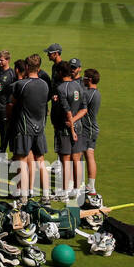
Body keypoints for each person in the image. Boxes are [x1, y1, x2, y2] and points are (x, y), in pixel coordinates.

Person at [10, 54, 50, 200]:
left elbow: (12, 103)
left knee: (22, 160)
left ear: (26, 67)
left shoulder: (22, 85)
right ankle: (45, 196)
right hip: (40, 128)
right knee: (40, 160)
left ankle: (24, 196)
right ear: (39, 68)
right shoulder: (45, 85)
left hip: (24, 128)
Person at [52, 59, 85, 198]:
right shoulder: (78, 86)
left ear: (60, 72)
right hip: (79, 126)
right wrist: (75, 123)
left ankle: (65, 191)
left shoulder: (61, 88)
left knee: (65, 160)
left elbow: (67, 111)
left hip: (66, 129)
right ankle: (77, 189)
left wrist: (71, 129)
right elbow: (84, 109)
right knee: (76, 159)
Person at [79, 69, 102, 196]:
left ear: (90, 80)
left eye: (85, 78)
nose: (83, 79)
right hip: (92, 128)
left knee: (85, 156)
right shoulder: (95, 93)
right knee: (89, 155)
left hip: (87, 129)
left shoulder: (89, 94)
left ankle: (85, 185)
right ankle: (90, 186)